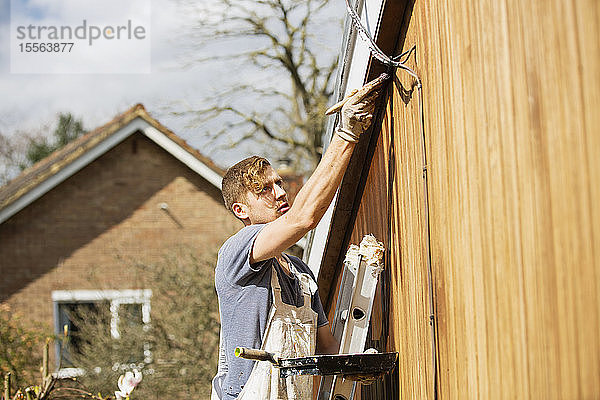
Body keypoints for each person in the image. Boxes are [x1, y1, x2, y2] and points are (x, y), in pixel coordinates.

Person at [211, 74, 388, 400]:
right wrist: (346, 134)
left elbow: (328, 351)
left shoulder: (302, 276)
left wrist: (358, 366)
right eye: (265, 189)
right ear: (241, 210)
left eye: (279, 183)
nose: (280, 192)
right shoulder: (237, 252)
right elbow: (304, 218)